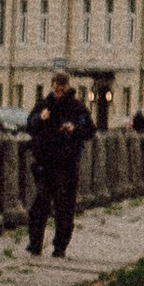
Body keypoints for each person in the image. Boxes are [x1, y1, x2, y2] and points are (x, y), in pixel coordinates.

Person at [26, 69, 96, 258]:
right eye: (56, 88)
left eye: (61, 88)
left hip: (66, 164)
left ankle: (60, 247)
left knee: (64, 208)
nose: (58, 91)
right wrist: (41, 119)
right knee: (40, 205)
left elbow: (89, 129)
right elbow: (30, 125)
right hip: (44, 162)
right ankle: (34, 244)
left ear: (67, 87)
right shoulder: (44, 105)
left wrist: (74, 128)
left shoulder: (76, 107)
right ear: (52, 86)